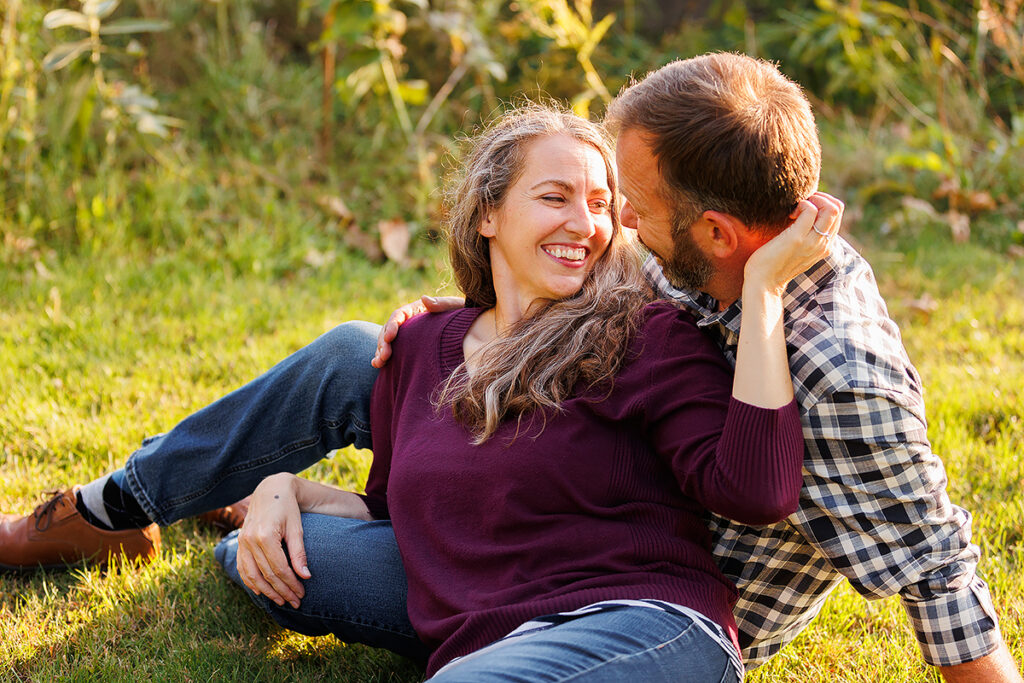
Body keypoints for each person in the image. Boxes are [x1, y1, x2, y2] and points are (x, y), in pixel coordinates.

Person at [3, 52, 1017, 680]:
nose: (607, 220)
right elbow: (407, 485)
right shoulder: (661, 270)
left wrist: (754, 305)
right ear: (483, 214)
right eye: (580, 197)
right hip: (515, 530)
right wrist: (288, 474)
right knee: (333, 402)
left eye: (622, 202)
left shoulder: (801, 359)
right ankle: (108, 508)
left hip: (650, 589)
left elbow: (928, 564)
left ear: (707, 230)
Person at [216, 103, 834, 681]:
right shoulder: (420, 342)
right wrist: (282, 487)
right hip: (490, 625)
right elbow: (397, 515)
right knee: (254, 554)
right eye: (554, 197)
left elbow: (758, 489)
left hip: (640, 620)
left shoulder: (648, 337)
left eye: (600, 203)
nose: (584, 224)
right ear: (488, 213)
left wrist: (763, 291)